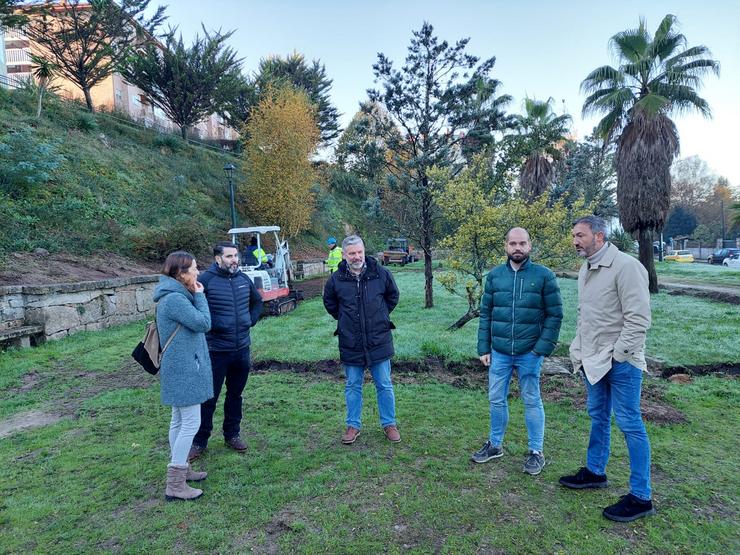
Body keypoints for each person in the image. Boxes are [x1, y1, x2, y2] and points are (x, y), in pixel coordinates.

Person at [559, 215, 656, 522]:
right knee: (597, 415)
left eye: (580, 235)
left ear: (599, 237)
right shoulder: (585, 269)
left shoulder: (627, 267)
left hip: (621, 363)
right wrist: (580, 348)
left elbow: (638, 319)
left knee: (630, 424)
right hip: (592, 360)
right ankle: (595, 471)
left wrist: (618, 355)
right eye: (574, 235)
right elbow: (585, 315)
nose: (575, 241)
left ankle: (641, 497)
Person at [471, 227, 563, 475]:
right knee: (495, 399)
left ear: (530, 246)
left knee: (532, 400)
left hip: (529, 352)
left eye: (522, 243)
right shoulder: (495, 276)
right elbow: (486, 314)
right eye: (513, 243)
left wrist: (541, 349)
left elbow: (555, 315)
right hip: (499, 351)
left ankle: (536, 452)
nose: (517, 248)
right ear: (506, 246)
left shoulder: (544, 276)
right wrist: (484, 347)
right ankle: (495, 445)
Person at [188, 241, 263, 461]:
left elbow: (257, 301)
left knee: (235, 395)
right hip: (216, 350)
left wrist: (251, 319)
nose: (235, 260)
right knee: (209, 398)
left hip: (241, 349)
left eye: (236, 256)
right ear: (217, 259)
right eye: (229, 257)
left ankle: (232, 434)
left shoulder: (242, 279)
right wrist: (212, 326)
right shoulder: (205, 281)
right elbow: (194, 311)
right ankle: (200, 441)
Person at [323, 235, 401, 444]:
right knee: (352, 385)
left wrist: (379, 315)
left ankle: (389, 424)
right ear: (344, 255)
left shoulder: (381, 274)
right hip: (351, 341)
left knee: (384, 384)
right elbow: (330, 304)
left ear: (364, 251)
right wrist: (346, 319)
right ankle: (353, 426)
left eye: (360, 252)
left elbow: (392, 297)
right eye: (352, 253)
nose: (357, 257)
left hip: (379, 340)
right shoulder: (336, 279)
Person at [153, 250, 213, 501]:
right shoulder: (176, 300)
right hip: (184, 368)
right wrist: (200, 296)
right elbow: (203, 323)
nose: (198, 272)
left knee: (178, 420)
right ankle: (175, 484)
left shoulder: (172, 295)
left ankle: (182, 467)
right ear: (180, 273)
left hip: (179, 366)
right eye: (194, 269)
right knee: (190, 422)